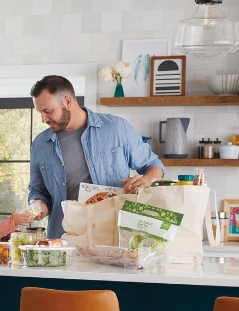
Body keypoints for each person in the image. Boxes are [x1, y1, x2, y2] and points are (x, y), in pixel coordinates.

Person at [28, 75, 165, 239]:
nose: (43, 119)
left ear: (67, 102)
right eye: (40, 113)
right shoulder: (40, 144)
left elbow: (154, 165)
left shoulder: (116, 128)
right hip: (63, 239)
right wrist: (38, 204)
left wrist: (146, 179)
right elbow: (38, 191)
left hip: (113, 235)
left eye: (47, 111)